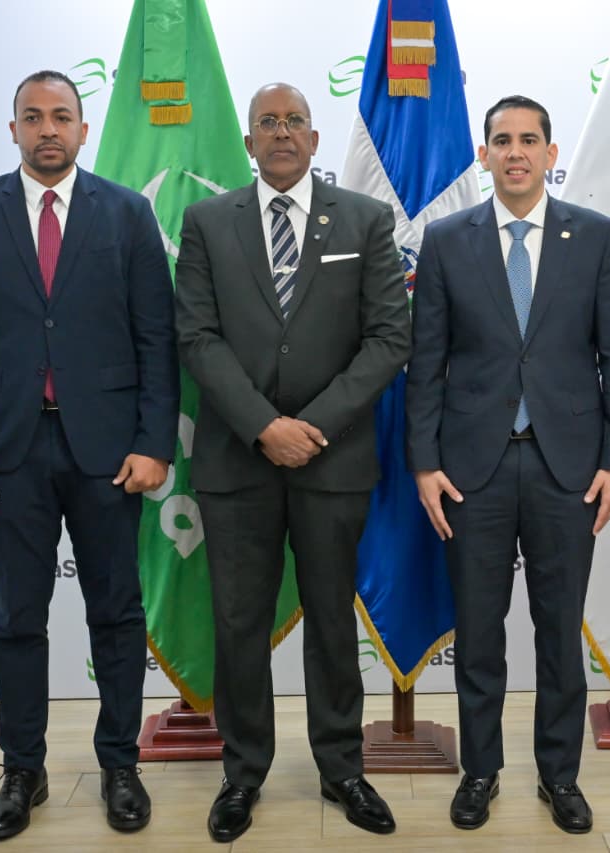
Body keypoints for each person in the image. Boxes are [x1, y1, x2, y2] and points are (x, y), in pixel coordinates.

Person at [0, 71, 178, 840]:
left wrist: (154, 442)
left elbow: (156, 337)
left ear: (82, 129)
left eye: (61, 116)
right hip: (7, 452)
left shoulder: (127, 214)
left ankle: (120, 763)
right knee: (15, 619)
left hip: (109, 450)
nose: (47, 129)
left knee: (117, 612)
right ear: (13, 131)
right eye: (32, 117)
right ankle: (22, 770)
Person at [174, 82, 410, 843]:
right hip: (237, 460)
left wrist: (310, 426)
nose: (282, 133)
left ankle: (342, 767)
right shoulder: (208, 222)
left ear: (314, 139)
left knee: (333, 620)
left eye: (295, 122)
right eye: (267, 123)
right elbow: (197, 337)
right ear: (249, 143)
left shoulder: (365, 220)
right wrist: (262, 427)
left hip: (331, 460)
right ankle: (242, 773)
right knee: (239, 622)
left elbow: (389, 338)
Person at [406, 95, 610, 835]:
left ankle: (559, 775)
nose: (515, 152)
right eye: (502, 140)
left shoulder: (595, 236)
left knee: (558, 630)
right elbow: (426, 363)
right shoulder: (448, 240)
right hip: (469, 469)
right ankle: (480, 770)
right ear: (483, 155)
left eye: (529, 140)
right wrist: (423, 463)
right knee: (479, 633)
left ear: (550, 152)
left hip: (567, 468)